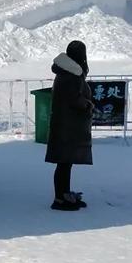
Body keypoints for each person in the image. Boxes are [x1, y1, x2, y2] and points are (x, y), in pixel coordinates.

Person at [46, 40, 92, 209]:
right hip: (67, 125)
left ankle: (65, 193)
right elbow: (73, 98)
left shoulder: (70, 71)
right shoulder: (70, 74)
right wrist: (87, 104)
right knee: (64, 162)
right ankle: (60, 198)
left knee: (66, 162)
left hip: (66, 124)